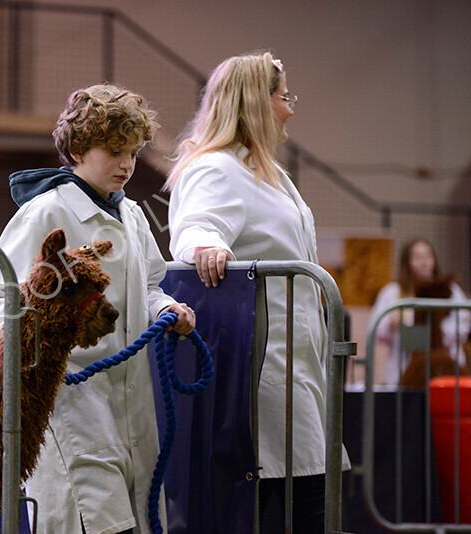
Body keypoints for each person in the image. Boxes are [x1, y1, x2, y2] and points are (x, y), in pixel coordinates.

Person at [0, 84, 196, 534]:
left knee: (134, 520)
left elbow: (149, 284)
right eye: (115, 151)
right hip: (68, 402)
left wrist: (167, 309)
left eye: (133, 152)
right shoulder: (44, 213)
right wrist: (45, 355)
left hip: (130, 399)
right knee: (93, 522)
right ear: (77, 148)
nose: (128, 165)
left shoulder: (132, 215)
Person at [164, 51, 350, 532]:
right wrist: (206, 245)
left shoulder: (269, 172)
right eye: (284, 97)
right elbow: (194, 228)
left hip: (298, 371)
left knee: (309, 501)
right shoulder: (216, 169)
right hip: (265, 379)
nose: (291, 108)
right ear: (256, 103)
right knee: (297, 506)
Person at [370, 238, 470, 385]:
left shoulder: (450, 290)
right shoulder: (392, 292)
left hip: (445, 370)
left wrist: (434, 329)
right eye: (417, 257)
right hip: (402, 369)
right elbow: (376, 329)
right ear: (407, 262)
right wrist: (391, 324)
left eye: (428, 256)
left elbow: (462, 327)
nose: (424, 262)